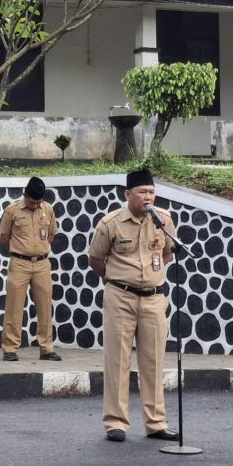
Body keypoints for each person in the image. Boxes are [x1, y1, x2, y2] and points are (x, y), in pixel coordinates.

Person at [87, 168, 180, 442]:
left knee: (154, 361)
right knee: (117, 361)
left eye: (151, 192)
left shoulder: (163, 220)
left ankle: (156, 423)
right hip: (120, 298)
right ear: (128, 194)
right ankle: (115, 423)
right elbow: (95, 259)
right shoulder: (110, 223)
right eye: (142, 192)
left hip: (153, 299)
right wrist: (118, 279)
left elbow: (167, 253)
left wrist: (150, 275)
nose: (148, 197)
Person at [0, 176, 61, 362]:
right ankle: (10, 348)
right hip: (19, 262)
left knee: (45, 306)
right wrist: (19, 251)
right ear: (25, 196)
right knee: (14, 306)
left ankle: (46, 348)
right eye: (32, 202)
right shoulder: (12, 210)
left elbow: (51, 235)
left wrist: (40, 250)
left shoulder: (48, 209)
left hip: (42, 263)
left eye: (38, 202)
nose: (35, 205)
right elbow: (4, 237)